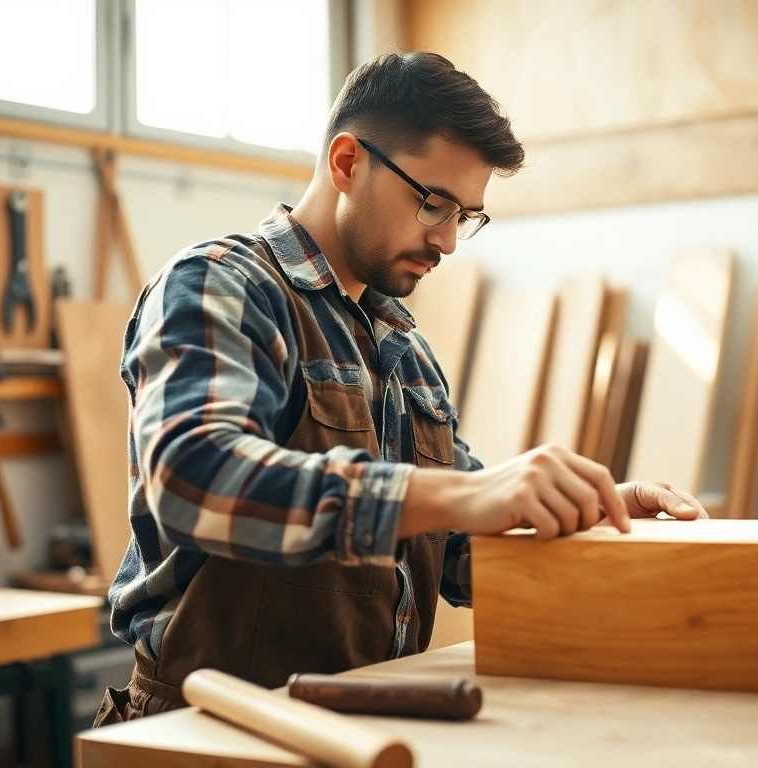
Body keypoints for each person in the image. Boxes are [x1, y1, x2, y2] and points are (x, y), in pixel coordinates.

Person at [95, 51, 706, 725]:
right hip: (208, 728)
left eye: (465, 216)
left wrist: (586, 516)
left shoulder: (405, 349)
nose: (446, 240)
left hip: (366, 721)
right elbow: (193, 480)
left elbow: (458, 550)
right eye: (433, 203)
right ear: (347, 161)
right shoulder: (222, 285)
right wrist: (467, 491)